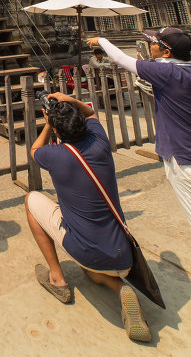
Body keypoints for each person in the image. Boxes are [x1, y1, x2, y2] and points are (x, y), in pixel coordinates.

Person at [26, 92, 150, 342]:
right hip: (122, 253)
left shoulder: (54, 156)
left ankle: (57, 279)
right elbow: (91, 113)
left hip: (85, 249)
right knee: (92, 270)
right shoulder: (99, 141)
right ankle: (121, 288)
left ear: (58, 132)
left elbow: (34, 149)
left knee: (31, 200)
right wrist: (67, 99)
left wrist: (49, 123)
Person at [87, 29, 191, 225]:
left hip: (183, 158)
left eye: (153, 43)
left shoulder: (166, 73)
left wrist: (101, 40)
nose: (149, 45)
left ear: (166, 52)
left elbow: (120, 58)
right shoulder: (181, 71)